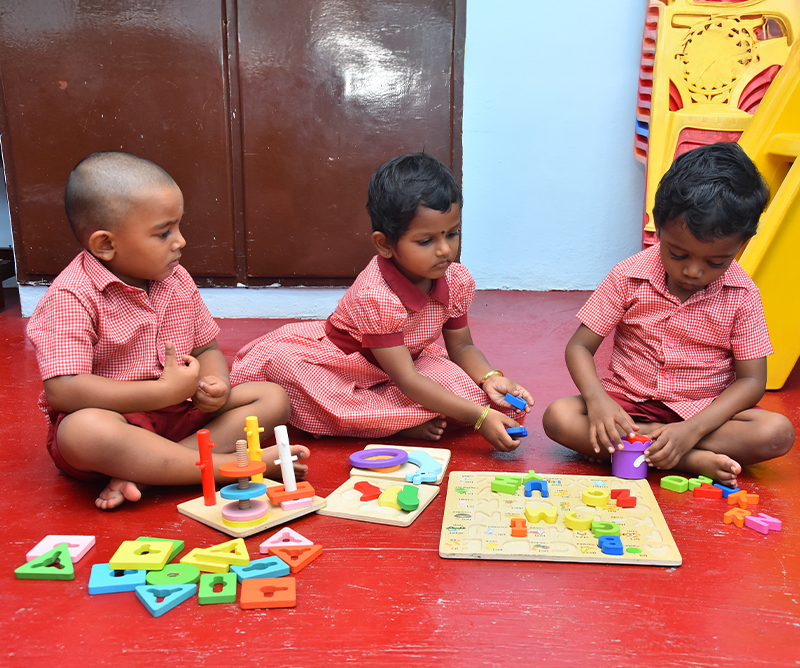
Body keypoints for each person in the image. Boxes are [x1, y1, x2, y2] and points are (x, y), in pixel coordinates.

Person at [27, 151, 308, 510]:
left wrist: (216, 386)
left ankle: (151, 471)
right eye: (163, 233)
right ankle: (230, 468)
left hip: (181, 411)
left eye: (178, 226)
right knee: (82, 432)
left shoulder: (176, 279)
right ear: (106, 245)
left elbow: (206, 348)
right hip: (118, 422)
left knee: (271, 397)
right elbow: (63, 390)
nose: (180, 241)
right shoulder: (72, 295)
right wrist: (160, 393)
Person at [230, 152, 533, 451]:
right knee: (307, 385)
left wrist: (488, 378)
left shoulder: (456, 280)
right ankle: (397, 425)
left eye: (452, 234)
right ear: (385, 244)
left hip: (406, 362)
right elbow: (407, 380)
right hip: (342, 366)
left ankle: (382, 418)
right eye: (426, 241)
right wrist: (479, 418)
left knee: (477, 395)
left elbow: (462, 347)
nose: (444, 250)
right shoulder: (376, 296)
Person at [543, 142, 794, 486]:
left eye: (716, 262)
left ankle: (641, 448)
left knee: (776, 432)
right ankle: (688, 458)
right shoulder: (628, 276)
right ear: (659, 227)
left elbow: (751, 381)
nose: (693, 271)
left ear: (742, 244)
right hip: (628, 404)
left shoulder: (744, 294)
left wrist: (692, 429)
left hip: (704, 412)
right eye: (678, 254)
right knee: (559, 417)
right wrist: (598, 401)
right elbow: (579, 347)